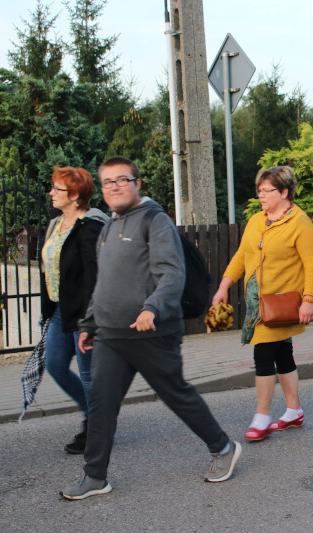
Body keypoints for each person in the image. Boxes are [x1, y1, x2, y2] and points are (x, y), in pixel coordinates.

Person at [60, 157, 240, 500]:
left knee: (176, 395)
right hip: (111, 335)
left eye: (122, 180)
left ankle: (223, 446)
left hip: (152, 332)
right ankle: (94, 476)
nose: (114, 187)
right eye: (108, 182)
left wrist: (152, 308)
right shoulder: (110, 226)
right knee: (101, 402)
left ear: (137, 183)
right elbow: (103, 284)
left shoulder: (154, 221)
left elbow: (171, 273)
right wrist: (90, 322)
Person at [212, 166, 313, 440]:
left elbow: (312, 265)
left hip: (280, 304)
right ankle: (294, 411)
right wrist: (224, 285)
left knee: (263, 355)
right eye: (258, 190)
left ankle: (261, 417)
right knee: (283, 354)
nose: (260, 195)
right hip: (257, 303)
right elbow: (241, 255)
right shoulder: (256, 221)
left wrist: (309, 299)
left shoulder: (300, 222)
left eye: (266, 190)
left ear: (284, 192)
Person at [40, 166, 108, 454]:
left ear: (75, 194)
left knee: (88, 373)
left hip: (83, 312)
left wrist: (90, 321)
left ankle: (96, 429)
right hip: (59, 309)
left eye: (57, 188)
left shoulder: (91, 226)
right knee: (54, 364)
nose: (51, 193)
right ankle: (96, 415)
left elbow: (95, 275)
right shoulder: (56, 224)